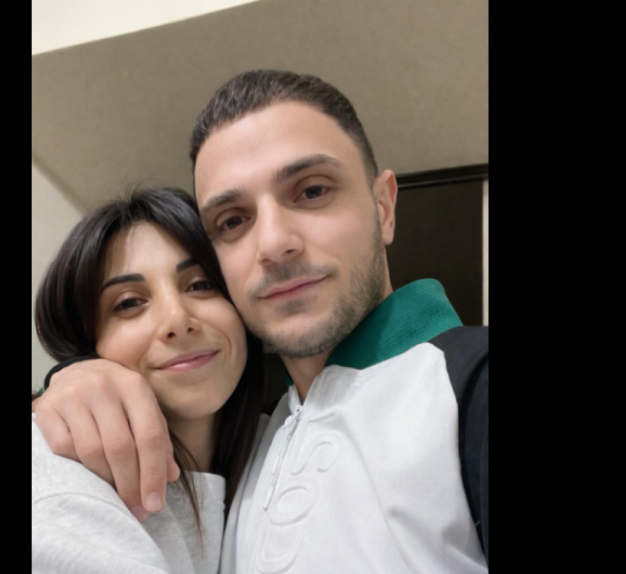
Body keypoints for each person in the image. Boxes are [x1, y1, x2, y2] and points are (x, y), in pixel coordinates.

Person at [34, 70, 488, 572]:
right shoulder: (253, 442)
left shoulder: (471, 387)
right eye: (232, 221)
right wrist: (71, 377)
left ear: (384, 207)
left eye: (312, 191)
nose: (273, 243)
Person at [32, 186, 264, 573]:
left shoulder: (284, 439)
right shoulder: (57, 480)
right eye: (128, 303)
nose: (178, 320)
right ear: (85, 343)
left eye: (201, 284)